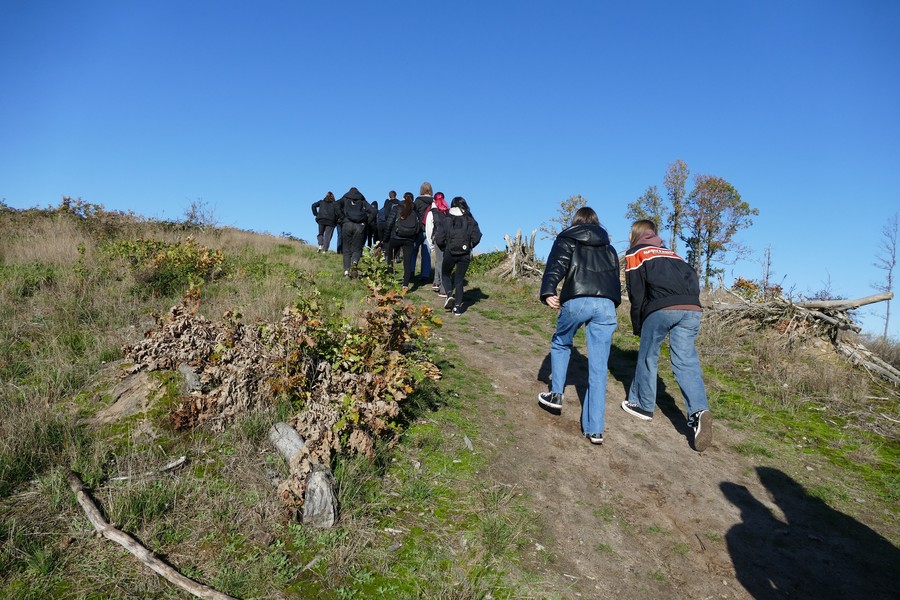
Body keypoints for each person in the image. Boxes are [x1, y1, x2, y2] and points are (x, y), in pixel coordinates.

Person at [620, 219, 712, 451]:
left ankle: (642, 405)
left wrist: (638, 323)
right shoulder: (674, 255)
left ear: (635, 233)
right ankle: (699, 410)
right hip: (692, 308)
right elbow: (693, 279)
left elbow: (637, 293)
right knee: (686, 362)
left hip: (661, 308)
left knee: (648, 355)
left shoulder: (636, 252)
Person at [537, 207, 620, 445]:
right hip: (606, 305)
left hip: (577, 299)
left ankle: (556, 394)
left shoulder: (567, 238)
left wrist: (548, 290)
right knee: (599, 367)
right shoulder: (609, 247)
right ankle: (595, 430)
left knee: (562, 342)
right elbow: (614, 279)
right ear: (596, 222)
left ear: (576, 222)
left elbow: (557, 264)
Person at [434, 196, 481, 315]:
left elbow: (439, 238)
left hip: (450, 252)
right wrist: (470, 245)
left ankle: (449, 294)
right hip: (465, 254)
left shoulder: (446, 218)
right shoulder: (470, 220)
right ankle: (457, 308)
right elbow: (477, 236)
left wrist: (445, 248)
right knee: (459, 280)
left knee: (445, 274)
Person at [338, 187, 375, 278]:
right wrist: (366, 222)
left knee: (346, 249)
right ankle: (354, 263)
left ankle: (346, 271)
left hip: (347, 224)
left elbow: (335, 204)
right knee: (357, 248)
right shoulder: (362, 200)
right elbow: (374, 211)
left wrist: (342, 217)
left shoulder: (345, 198)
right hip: (359, 226)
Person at [384, 195, 421, 288]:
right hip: (409, 239)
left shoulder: (396, 209)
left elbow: (389, 223)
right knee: (407, 262)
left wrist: (385, 238)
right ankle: (405, 285)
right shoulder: (414, 212)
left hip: (395, 237)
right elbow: (418, 227)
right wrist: (413, 238)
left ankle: (391, 280)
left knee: (390, 259)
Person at [425, 191, 450, 295]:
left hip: (438, 238)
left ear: (434, 200)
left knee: (439, 261)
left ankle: (443, 288)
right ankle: (438, 282)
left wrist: (430, 243)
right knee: (444, 261)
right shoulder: (448, 211)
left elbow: (429, 229)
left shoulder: (432, 212)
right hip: (448, 239)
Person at [411, 182, 434, 281]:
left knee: (413, 251)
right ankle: (425, 275)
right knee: (426, 253)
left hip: (419, 230)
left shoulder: (418, 201)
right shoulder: (434, 202)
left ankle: (411, 272)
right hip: (430, 230)